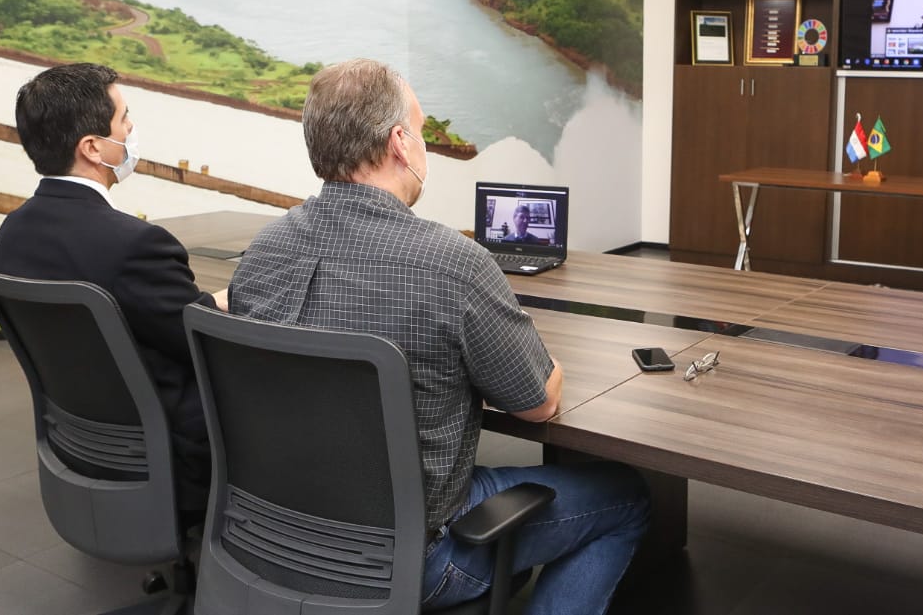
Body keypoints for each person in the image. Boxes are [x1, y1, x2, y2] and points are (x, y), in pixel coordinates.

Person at [229, 59, 649, 614]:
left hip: (272, 537)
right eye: (423, 132)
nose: (425, 146)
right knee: (628, 498)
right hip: (413, 560)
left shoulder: (262, 252)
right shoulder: (452, 265)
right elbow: (540, 404)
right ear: (400, 143)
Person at [0, 62, 227, 520]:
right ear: (93, 147)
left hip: (82, 437)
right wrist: (235, 298)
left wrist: (204, 303)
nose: (132, 127)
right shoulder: (135, 245)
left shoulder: (11, 236)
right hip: (172, 444)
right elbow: (198, 342)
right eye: (124, 119)